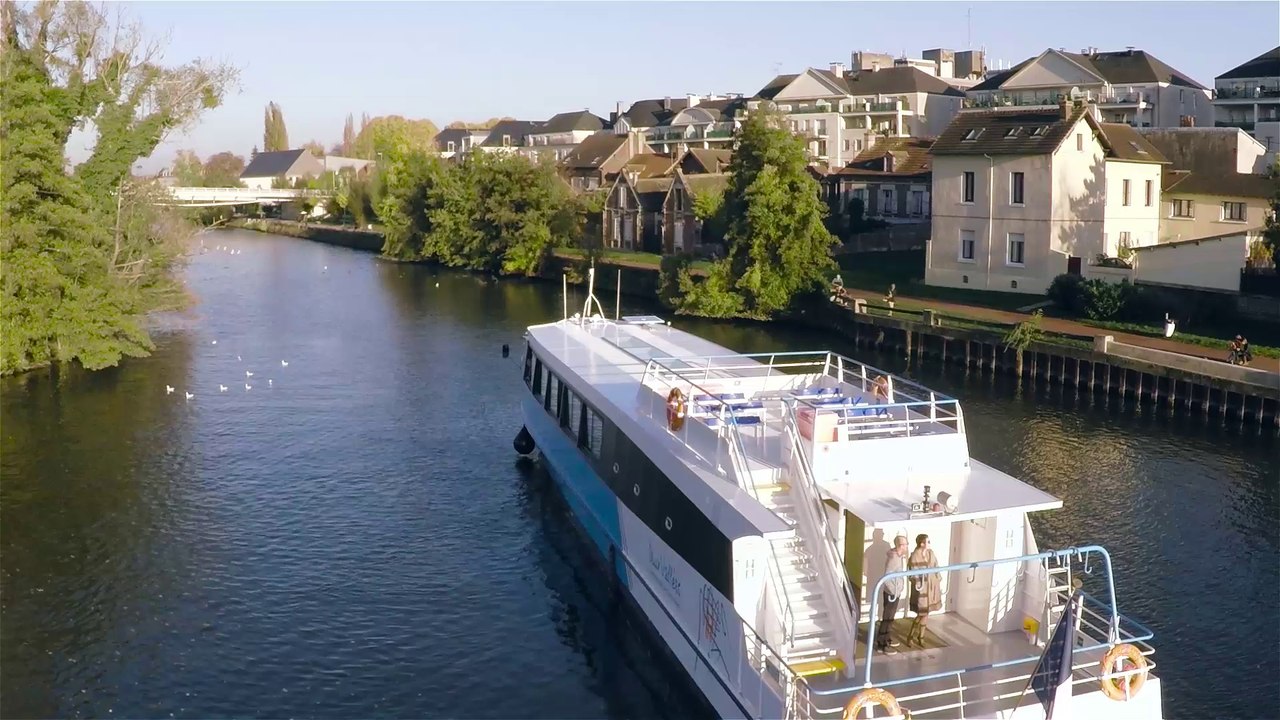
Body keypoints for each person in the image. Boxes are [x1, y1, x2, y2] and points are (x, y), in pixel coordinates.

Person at [907, 534, 941, 648]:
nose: (929, 543)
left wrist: (938, 578)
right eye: (928, 541)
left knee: (926, 613)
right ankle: (911, 636)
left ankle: (921, 637)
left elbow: (936, 566)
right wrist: (918, 582)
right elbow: (912, 573)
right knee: (921, 613)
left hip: (931, 587)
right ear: (922, 543)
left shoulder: (931, 553)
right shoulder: (914, 556)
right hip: (921, 588)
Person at [876, 535, 909, 654]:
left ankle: (887, 638)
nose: (907, 546)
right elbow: (887, 575)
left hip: (894, 592)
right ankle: (882, 644)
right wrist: (893, 590)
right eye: (905, 544)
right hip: (892, 593)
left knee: (890, 617)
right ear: (900, 546)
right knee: (887, 618)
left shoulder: (899, 557)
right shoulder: (894, 558)